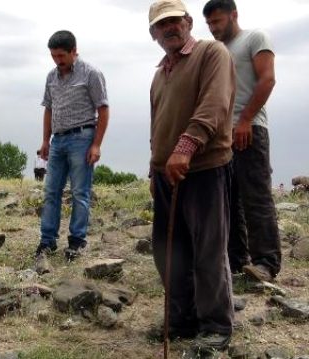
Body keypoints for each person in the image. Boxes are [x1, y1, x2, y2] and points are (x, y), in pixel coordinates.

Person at [147, 0, 236, 352]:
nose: (170, 28)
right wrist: (155, 166)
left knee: (208, 251)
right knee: (168, 252)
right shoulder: (160, 73)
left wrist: (186, 146)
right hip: (166, 173)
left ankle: (215, 325)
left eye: (175, 20)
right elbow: (158, 126)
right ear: (153, 34)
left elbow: (215, 105)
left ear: (187, 21)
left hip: (204, 168)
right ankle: (182, 319)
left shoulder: (211, 53)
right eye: (161, 24)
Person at [204, 0, 280, 283]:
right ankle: (237, 261)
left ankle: (266, 263)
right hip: (222, 135)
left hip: (250, 129)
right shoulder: (218, 50)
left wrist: (246, 120)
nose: (213, 28)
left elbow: (267, 79)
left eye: (217, 22)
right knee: (228, 199)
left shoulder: (255, 38)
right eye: (209, 24)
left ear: (234, 15)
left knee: (256, 196)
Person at [33, 30, 109, 274]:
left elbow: (103, 109)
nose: (58, 60)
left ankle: (77, 241)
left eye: (62, 55)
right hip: (58, 140)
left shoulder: (91, 74)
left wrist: (96, 144)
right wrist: (45, 140)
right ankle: (47, 241)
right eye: (54, 56)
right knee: (51, 191)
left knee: (79, 192)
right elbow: (48, 109)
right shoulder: (51, 77)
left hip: (83, 137)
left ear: (74, 51)